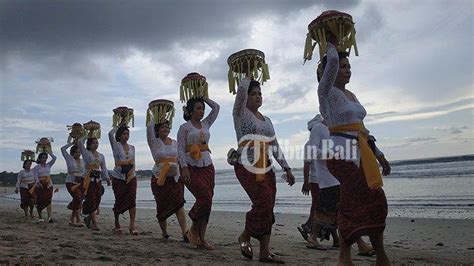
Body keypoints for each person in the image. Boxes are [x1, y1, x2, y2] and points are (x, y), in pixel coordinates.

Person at [317, 39, 392, 265]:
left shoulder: (351, 96)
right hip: (339, 155)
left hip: (360, 154)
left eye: (349, 66)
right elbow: (330, 62)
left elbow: (362, 130)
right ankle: (357, 255)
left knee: (365, 200)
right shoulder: (326, 92)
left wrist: (379, 154)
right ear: (329, 71)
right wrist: (330, 42)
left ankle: (368, 254)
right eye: (342, 66)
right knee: (368, 198)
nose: (347, 70)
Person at [233, 78, 295, 264]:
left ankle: (264, 252)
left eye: (259, 93)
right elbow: (240, 93)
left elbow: (274, 145)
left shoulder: (267, 120)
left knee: (268, 207)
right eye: (253, 94)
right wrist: (246, 75)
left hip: (266, 166)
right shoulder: (240, 113)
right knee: (263, 202)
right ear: (245, 97)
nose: (257, 96)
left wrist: (287, 168)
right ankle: (245, 235)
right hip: (246, 165)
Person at [177, 97, 219, 250]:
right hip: (190, 166)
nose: (201, 111)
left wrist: (204, 97)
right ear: (190, 111)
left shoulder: (206, 123)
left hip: (207, 165)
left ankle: (201, 239)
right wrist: (184, 167)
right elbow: (180, 149)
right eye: (198, 108)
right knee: (204, 197)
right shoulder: (184, 128)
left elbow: (216, 108)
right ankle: (194, 229)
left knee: (208, 201)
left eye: (202, 108)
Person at [147, 118, 188, 241]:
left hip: (175, 179)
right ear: (157, 130)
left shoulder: (175, 143)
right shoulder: (154, 142)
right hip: (160, 179)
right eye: (162, 127)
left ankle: (185, 232)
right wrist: (158, 114)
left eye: (167, 126)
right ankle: (164, 232)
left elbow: (181, 157)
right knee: (162, 206)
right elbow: (149, 127)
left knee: (179, 204)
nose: (165, 129)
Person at [109, 125, 138, 235]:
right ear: (119, 136)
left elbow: (133, 162)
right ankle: (116, 222)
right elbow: (110, 134)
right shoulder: (116, 146)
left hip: (131, 176)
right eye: (124, 134)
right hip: (118, 177)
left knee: (132, 199)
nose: (126, 136)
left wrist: (132, 173)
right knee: (119, 199)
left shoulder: (132, 147)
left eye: (127, 134)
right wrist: (118, 125)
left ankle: (132, 225)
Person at [78, 137, 110, 231]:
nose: (95, 144)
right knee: (91, 199)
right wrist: (87, 134)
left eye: (97, 143)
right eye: (93, 143)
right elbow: (80, 142)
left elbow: (103, 168)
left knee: (97, 199)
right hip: (88, 179)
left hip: (98, 179)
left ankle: (88, 218)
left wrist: (107, 178)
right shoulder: (86, 153)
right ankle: (94, 223)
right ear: (89, 144)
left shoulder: (101, 155)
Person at [61, 142, 85, 227]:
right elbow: (62, 149)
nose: (78, 154)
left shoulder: (83, 161)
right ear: (72, 153)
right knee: (77, 198)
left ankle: (73, 220)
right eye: (76, 152)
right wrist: (72, 143)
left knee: (79, 200)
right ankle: (76, 219)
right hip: (70, 182)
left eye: (79, 152)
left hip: (80, 182)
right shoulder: (69, 158)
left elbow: (85, 172)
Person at [32, 151, 56, 223]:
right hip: (40, 186)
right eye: (43, 157)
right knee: (40, 201)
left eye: (46, 157)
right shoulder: (36, 167)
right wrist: (39, 183)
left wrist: (48, 150)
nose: (44, 159)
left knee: (49, 200)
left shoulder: (48, 165)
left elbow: (54, 158)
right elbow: (35, 176)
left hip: (48, 185)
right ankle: (40, 217)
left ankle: (49, 217)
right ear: (39, 158)